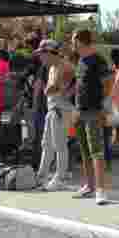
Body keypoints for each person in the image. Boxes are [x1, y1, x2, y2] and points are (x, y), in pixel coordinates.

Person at [72, 29, 111, 204]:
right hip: (80, 111)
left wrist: (105, 105)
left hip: (94, 111)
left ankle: (101, 190)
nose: (72, 44)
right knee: (84, 151)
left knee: (96, 151)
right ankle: (89, 186)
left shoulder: (98, 60)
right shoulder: (80, 60)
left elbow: (109, 81)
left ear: (80, 41)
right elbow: (80, 85)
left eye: (73, 40)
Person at [36, 40, 74, 191]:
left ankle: (60, 177)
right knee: (47, 143)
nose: (40, 57)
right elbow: (51, 89)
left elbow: (70, 87)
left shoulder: (66, 66)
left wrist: (56, 88)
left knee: (60, 144)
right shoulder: (52, 67)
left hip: (61, 108)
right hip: (53, 108)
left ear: (50, 53)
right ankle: (42, 175)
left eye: (42, 54)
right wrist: (52, 88)